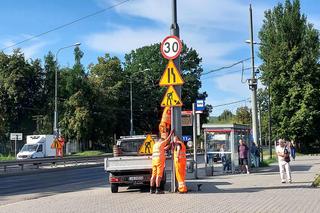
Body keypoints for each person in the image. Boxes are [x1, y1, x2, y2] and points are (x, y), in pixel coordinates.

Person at [150, 130, 173, 194]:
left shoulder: (155, 145)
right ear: (161, 140)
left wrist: (170, 144)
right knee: (159, 175)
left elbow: (164, 148)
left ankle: (151, 189)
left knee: (153, 175)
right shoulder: (161, 143)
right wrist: (171, 134)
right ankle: (158, 189)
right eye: (163, 141)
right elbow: (167, 140)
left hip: (154, 161)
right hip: (159, 161)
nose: (163, 142)